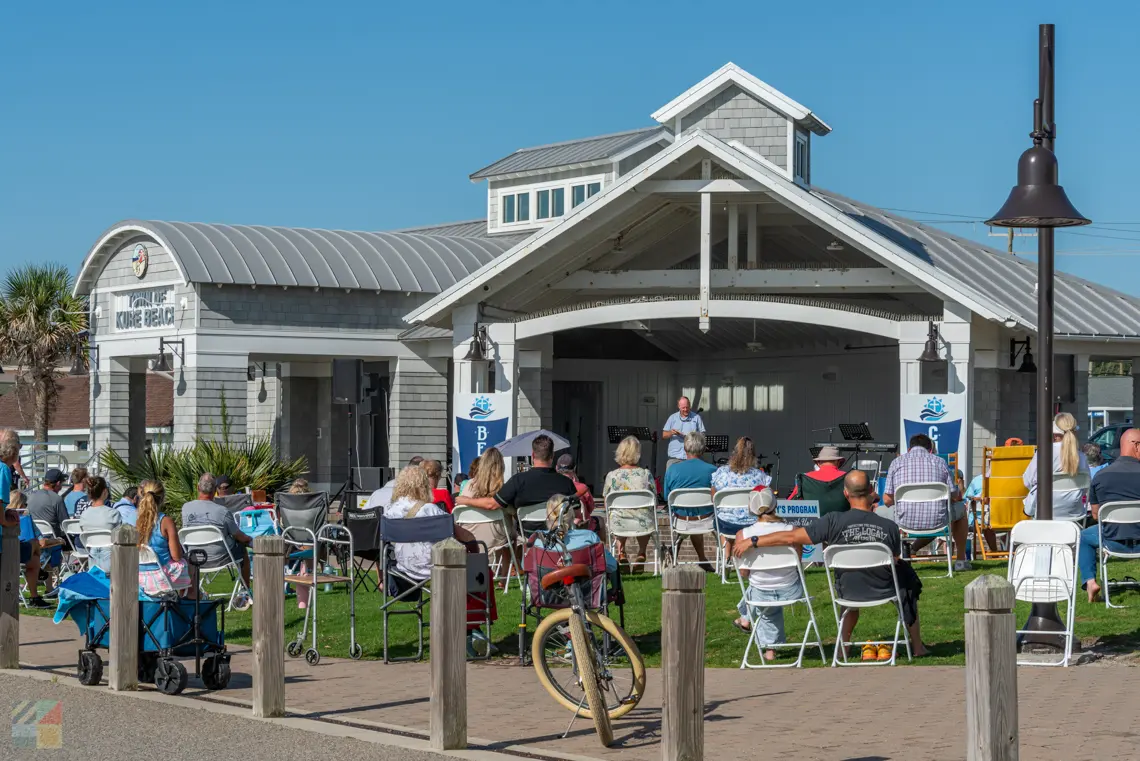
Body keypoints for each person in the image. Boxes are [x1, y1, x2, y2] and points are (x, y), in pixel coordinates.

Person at [743, 470, 927, 659]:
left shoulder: (832, 521)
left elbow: (791, 536)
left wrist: (754, 540)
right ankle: (918, 647)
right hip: (885, 589)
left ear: (845, 493)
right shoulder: (889, 526)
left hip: (848, 590)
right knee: (906, 582)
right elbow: (894, 558)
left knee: (850, 601)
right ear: (871, 490)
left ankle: (843, 648)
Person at [730, 488, 802, 662]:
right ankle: (761, 638)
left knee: (760, 593)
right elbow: (798, 562)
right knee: (765, 597)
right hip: (791, 589)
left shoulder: (743, 535)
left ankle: (748, 621)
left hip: (761, 590)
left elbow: (743, 572)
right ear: (775, 504)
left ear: (751, 508)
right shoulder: (792, 529)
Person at [881, 433, 967, 572]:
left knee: (877, 512)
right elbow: (954, 496)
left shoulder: (896, 463)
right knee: (961, 510)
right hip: (937, 521)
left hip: (904, 521)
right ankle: (961, 561)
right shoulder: (940, 462)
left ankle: (888, 559)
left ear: (909, 449)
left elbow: (886, 499)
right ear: (931, 450)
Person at [1079, 427, 1140, 602]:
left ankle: (1090, 582)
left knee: (1083, 536)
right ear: (1136, 446)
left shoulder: (1100, 476)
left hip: (1111, 541)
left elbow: (1098, 516)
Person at [383, 465, 474, 581]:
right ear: (424, 486)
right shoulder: (430, 510)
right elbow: (462, 534)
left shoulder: (389, 511)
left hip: (404, 569)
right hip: (437, 567)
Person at [182, 473, 253, 609]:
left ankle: (196, 592)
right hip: (220, 558)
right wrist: (250, 540)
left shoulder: (186, 508)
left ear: (198, 487)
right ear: (215, 490)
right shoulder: (223, 511)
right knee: (243, 551)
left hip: (195, 558)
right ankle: (245, 591)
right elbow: (238, 535)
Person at [460, 435, 575, 519]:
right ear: (553, 456)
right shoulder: (567, 483)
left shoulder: (518, 480)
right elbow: (577, 515)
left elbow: (492, 504)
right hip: (559, 540)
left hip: (529, 541)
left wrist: (467, 500)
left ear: (533, 455)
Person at [456, 447, 515, 578]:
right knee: (513, 532)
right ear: (501, 467)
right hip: (496, 537)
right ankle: (505, 576)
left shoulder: (467, 486)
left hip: (469, 535)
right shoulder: (503, 488)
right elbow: (512, 510)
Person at [662, 432, 715, 570]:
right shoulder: (713, 470)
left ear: (684, 449)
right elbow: (717, 499)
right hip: (707, 519)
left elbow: (668, 498)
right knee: (696, 516)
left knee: (688, 516)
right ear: (703, 450)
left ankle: (675, 556)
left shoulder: (672, 470)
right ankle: (703, 560)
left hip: (681, 519)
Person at [531, 494, 618, 578]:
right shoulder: (589, 537)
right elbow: (612, 565)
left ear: (547, 515)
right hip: (586, 591)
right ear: (572, 514)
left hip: (547, 591)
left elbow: (527, 568)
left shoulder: (537, 540)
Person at [1023, 412, 1090, 520]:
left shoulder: (1044, 453)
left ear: (1054, 432)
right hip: (1074, 512)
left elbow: (1027, 481)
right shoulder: (1081, 457)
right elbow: (1085, 487)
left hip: (1045, 511)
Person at [602, 435, 656, 566]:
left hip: (619, 523)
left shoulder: (612, 475)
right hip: (643, 523)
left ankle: (621, 552)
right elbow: (654, 498)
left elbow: (606, 502)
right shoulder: (645, 474)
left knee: (617, 513)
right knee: (644, 513)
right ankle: (642, 552)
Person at [134, 480, 194, 597]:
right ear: (162, 498)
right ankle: (188, 601)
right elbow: (176, 556)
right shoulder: (166, 521)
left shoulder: (137, 522)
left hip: (140, 577)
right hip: (161, 577)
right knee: (192, 564)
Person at [712, 437, 771, 555]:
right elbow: (767, 500)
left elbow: (714, 499)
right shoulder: (761, 476)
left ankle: (725, 555)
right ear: (753, 455)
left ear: (734, 452)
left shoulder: (722, 473)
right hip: (752, 524)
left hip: (726, 524)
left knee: (722, 518)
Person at [0, 490, 57, 609]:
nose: (26, 507)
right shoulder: (21, 518)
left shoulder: (6, 514)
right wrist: (59, 541)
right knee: (35, 547)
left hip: (12, 552)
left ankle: (35, 594)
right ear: (20, 505)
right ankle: (34, 597)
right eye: (25, 504)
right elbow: (41, 542)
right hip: (13, 553)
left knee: (34, 560)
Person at [26, 468, 70, 595]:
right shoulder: (56, 499)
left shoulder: (31, 496)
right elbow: (65, 522)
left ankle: (48, 584)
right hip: (51, 540)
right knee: (62, 541)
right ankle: (52, 585)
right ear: (57, 484)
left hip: (33, 538)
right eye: (61, 482)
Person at [77, 476, 121, 574]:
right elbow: (120, 536)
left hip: (92, 556)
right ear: (105, 491)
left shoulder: (84, 515)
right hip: (110, 555)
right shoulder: (113, 513)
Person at [662, 396, 706, 469]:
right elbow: (664, 435)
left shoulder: (696, 418)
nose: (685, 409)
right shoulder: (672, 418)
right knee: (672, 478)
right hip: (674, 457)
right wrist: (671, 433)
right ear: (679, 406)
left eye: (687, 407)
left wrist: (692, 436)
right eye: (683, 408)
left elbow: (702, 436)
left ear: (690, 406)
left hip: (691, 456)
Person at [555, 453, 596, 525]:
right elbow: (590, 508)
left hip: (559, 525)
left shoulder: (552, 486)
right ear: (574, 468)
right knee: (601, 520)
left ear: (556, 468)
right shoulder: (582, 487)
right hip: (580, 525)